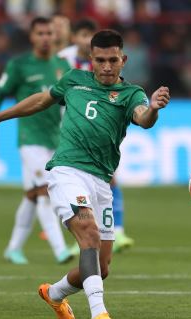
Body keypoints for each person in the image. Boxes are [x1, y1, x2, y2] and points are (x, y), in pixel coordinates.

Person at [0, 29, 170, 319]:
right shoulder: (74, 80)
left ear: (123, 60)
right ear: (90, 59)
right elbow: (40, 100)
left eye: (113, 60)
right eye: (100, 60)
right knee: (88, 234)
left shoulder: (132, 94)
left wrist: (154, 108)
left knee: (101, 267)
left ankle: (53, 294)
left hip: (101, 180)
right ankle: (99, 313)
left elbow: (143, 118)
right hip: (67, 171)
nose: (106, 67)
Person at [0, 17, 73, 265]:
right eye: (40, 33)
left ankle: (13, 248)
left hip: (55, 137)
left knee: (32, 194)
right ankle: (60, 250)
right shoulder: (19, 65)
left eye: (49, 33)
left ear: (55, 36)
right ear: (32, 37)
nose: (45, 37)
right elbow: (0, 94)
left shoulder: (63, 65)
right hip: (29, 139)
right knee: (44, 191)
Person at [59, 19, 135, 253]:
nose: (84, 39)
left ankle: (116, 231)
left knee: (109, 178)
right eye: (81, 34)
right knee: (66, 185)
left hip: (98, 128)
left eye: (87, 35)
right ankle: (80, 237)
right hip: (69, 125)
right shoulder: (64, 61)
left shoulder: (123, 88)